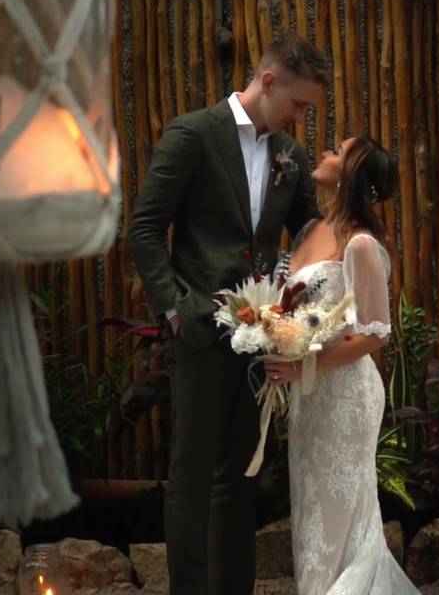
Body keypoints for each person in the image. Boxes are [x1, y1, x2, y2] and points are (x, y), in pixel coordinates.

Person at [127, 34, 328, 595]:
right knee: (190, 479)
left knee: (243, 479)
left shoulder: (292, 156)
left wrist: (296, 307)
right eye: (298, 104)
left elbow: (310, 234)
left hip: (261, 340)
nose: (300, 117)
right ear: (268, 82)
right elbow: (145, 229)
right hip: (198, 333)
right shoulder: (192, 134)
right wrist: (175, 309)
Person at [264, 135, 420, 594]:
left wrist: (301, 367)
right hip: (310, 394)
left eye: (336, 150)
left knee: (340, 511)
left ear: (352, 172)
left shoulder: (361, 245)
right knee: (311, 510)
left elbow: (373, 333)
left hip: (347, 395)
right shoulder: (312, 231)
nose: (325, 153)